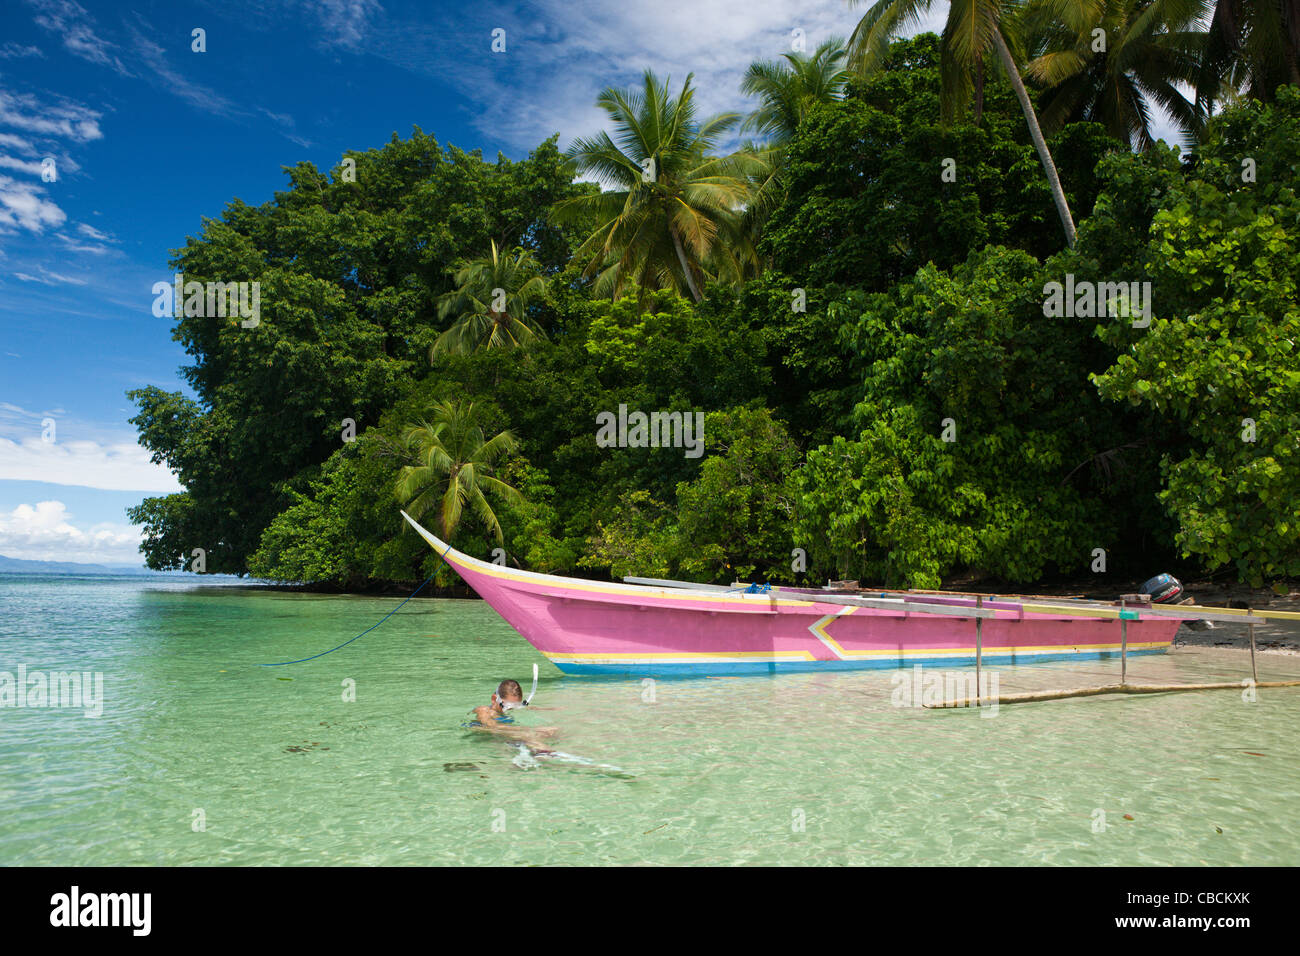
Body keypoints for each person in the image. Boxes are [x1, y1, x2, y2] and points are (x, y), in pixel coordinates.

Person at [468, 678, 557, 752]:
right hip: (485, 739)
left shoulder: (504, 707)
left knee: (553, 731)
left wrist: (551, 709)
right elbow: (493, 727)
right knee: (530, 738)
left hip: (503, 736)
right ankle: (548, 754)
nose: (511, 709)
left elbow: (529, 708)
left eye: (517, 706)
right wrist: (531, 730)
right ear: (494, 699)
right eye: (508, 706)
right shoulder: (484, 710)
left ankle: (545, 753)